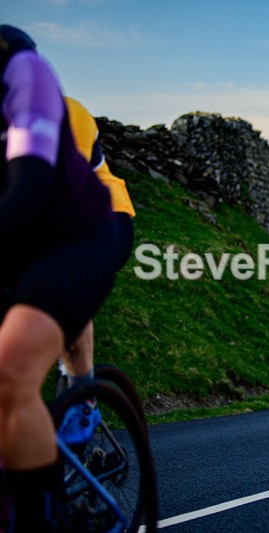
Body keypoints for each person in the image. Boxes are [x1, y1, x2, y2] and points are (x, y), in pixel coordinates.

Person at [0, 24, 121, 530]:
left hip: (94, 218)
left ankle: (83, 395)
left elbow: (30, 184)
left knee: (20, 355)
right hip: (23, 227)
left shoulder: (41, 88)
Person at [57, 96, 136, 445]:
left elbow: (56, 190)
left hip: (103, 217)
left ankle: (83, 397)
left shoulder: (65, 112)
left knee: (61, 291)